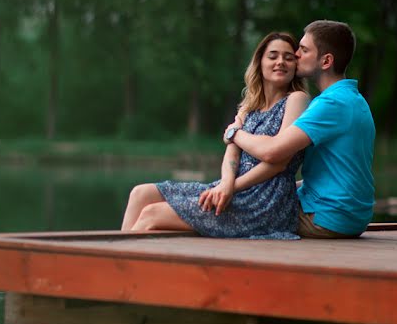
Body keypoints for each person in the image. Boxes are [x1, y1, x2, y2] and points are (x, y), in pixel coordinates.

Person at [120, 32, 311, 238]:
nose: (280, 62)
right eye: (273, 56)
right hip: (232, 188)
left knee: (151, 214)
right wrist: (225, 184)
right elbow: (232, 151)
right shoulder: (249, 106)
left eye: (288, 57)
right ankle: (116, 263)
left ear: (295, 66)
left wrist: (231, 183)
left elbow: (279, 160)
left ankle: (120, 267)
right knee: (141, 193)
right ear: (260, 62)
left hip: (266, 201)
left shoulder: (297, 99)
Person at [224, 20, 375, 238]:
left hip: (326, 218)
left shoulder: (331, 105)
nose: (296, 55)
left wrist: (235, 133)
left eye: (304, 50)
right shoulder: (353, 99)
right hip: (351, 214)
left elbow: (273, 151)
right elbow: (336, 175)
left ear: (326, 61)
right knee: (253, 196)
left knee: (231, 209)